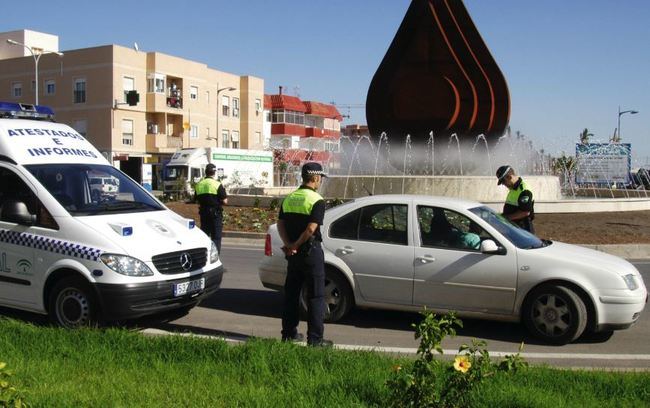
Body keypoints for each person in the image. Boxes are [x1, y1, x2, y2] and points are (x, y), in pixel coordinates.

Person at [277, 162, 332, 347]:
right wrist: (298, 244)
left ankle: (288, 335)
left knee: (292, 294)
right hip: (310, 252)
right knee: (315, 296)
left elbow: (280, 224)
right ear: (315, 178)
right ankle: (315, 340)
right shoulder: (316, 200)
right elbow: (311, 228)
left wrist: (289, 245)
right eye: (320, 178)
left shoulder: (290, 198)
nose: (321, 181)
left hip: (293, 256)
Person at [195, 163, 228, 253]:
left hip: (204, 213)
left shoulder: (199, 184)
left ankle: (203, 255)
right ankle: (214, 257)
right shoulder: (217, 184)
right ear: (214, 173)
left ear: (206, 172)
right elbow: (225, 201)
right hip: (215, 214)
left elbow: (196, 199)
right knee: (216, 237)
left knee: (204, 235)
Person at [496, 165, 535, 233]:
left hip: (523, 230)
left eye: (503, 181)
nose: (503, 184)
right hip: (515, 229)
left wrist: (506, 218)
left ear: (509, 177)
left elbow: (525, 212)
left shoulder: (524, 190)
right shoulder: (513, 189)